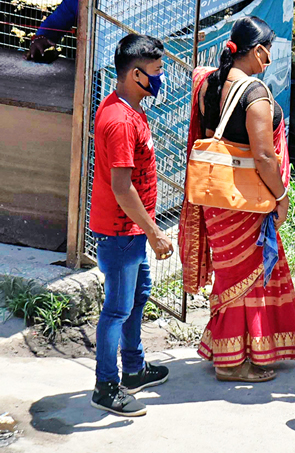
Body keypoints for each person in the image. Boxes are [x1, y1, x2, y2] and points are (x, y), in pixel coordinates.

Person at [178, 16, 295, 382]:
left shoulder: (207, 82)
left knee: (231, 275)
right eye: (270, 51)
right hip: (245, 201)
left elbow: (208, 135)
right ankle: (231, 363)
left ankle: (237, 348)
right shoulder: (255, 94)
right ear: (260, 50)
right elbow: (265, 157)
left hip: (215, 198)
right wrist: (281, 196)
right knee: (247, 277)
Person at [89, 34, 172, 417]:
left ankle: (134, 369)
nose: (161, 78)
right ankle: (106, 386)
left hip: (132, 231)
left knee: (138, 296)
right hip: (122, 233)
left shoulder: (126, 107)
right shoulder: (120, 121)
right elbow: (122, 188)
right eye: (156, 72)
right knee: (117, 310)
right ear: (136, 74)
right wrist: (154, 232)